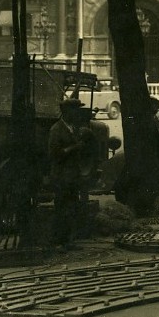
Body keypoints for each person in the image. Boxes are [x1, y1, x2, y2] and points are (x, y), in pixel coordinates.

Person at [48, 98, 96, 248]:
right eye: (74, 109)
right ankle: (59, 241)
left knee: (72, 208)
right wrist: (75, 147)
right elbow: (55, 154)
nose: (77, 113)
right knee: (62, 209)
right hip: (62, 176)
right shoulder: (56, 129)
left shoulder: (72, 128)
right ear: (66, 111)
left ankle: (68, 241)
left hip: (72, 176)